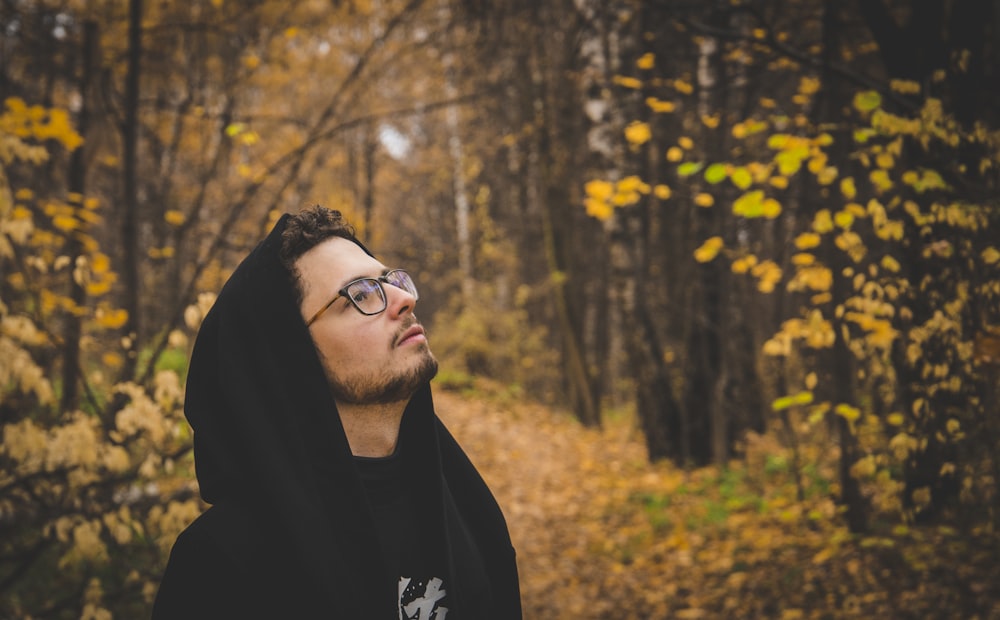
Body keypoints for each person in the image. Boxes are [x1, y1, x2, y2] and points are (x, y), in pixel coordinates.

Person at [152, 206, 521, 619]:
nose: (405, 298)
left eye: (391, 281)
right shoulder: (221, 565)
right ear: (290, 354)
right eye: (361, 294)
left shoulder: (465, 503)